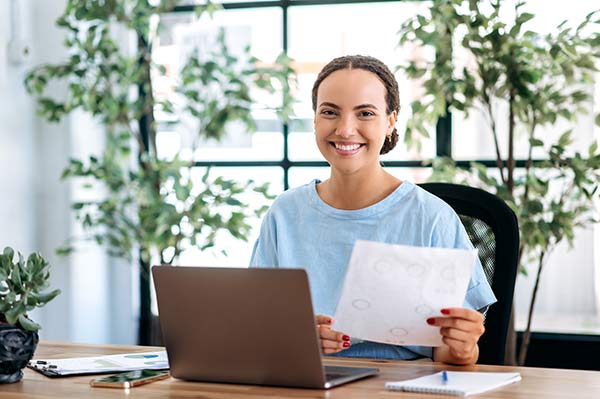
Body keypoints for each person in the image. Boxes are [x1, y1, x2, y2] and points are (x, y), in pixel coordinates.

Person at [250, 55, 496, 365]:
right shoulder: (284, 214)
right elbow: (259, 329)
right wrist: (295, 338)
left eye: (365, 113)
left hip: (401, 388)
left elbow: (451, 352)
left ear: (391, 121)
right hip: (306, 383)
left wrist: (463, 347)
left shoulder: (432, 218)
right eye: (329, 112)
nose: (345, 129)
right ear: (315, 119)